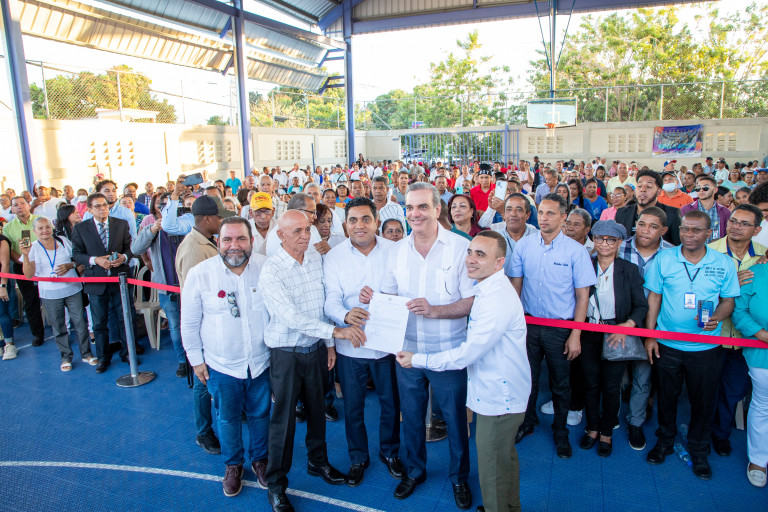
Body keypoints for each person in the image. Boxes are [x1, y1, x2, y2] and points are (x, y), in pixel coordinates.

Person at [396, 231, 531, 512]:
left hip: (500, 397)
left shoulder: (496, 299)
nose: (470, 259)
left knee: (492, 468)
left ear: (499, 262)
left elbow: (467, 354)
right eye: (469, 252)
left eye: (480, 254)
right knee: (503, 460)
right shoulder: (487, 289)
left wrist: (419, 359)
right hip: (495, 393)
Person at [259, 210, 365, 512]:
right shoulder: (272, 270)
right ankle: (276, 485)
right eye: (297, 232)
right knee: (283, 422)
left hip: (316, 350)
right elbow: (290, 318)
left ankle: (318, 462)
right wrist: (336, 333)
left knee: (318, 412)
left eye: (308, 229)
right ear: (281, 235)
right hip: (286, 354)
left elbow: (322, 306)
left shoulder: (316, 259)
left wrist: (329, 345)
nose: (306, 236)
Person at [378, 182, 475, 509]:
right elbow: (389, 297)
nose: (415, 213)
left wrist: (435, 310)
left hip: (448, 353)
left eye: (422, 207)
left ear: (437, 209)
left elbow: (471, 301)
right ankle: (415, 471)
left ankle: (459, 477)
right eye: (410, 207)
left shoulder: (460, 248)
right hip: (408, 353)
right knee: (412, 417)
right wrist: (377, 306)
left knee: (456, 421)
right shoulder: (396, 251)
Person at [643, 211, 740, 480]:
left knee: (703, 402)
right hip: (668, 345)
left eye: (696, 230)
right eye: (685, 229)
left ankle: (699, 450)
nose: (689, 234)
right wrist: (650, 336)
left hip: (706, 348)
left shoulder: (723, 263)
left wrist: (717, 317)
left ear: (709, 233)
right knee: (667, 397)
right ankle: (664, 441)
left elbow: (729, 301)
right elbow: (654, 298)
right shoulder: (664, 259)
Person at [181, 217, 271, 497]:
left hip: (261, 362)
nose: (235, 246)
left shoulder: (267, 268)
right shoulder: (200, 274)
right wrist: (196, 360)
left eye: (241, 239)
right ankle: (233, 465)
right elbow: (189, 322)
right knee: (228, 418)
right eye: (228, 239)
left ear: (251, 241)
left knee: (260, 415)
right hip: (221, 366)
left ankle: (260, 460)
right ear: (217, 242)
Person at [323, 197, 404, 487]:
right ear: (345, 224)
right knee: (353, 407)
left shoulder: (395, 251)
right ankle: (358, 457)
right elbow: (330, 299)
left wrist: (384, 300)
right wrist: (345, 315)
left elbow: (405, 291)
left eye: (366, 219)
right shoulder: (334, 257)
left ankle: (390, 452)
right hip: (352, 345)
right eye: (353, 220)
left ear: (376, 222)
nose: (360, 226)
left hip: (387, 346)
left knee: (390, 404)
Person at [510, 193, 595, 458]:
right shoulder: (524, 246)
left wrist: (576, 334)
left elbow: (583, 296)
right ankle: (527, 422)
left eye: (551, 213)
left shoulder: (576, 251)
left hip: (560, 329)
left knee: (560, 384)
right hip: (528, 325)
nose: (544, 218)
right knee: (528, 379)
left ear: (563, 217)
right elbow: (516, 287)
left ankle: (560, 431)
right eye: (541, 212)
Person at [578, 220, 648, 457]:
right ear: (593, 240)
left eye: (611, 240)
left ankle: (606, 431)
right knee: (590, 384)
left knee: (611, 387)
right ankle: (592, 427)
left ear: (619, 243)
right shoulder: (585, 265)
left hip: (616, 334)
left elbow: (641, 306)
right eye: (600, 238)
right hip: (588, 332)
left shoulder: (629, 270)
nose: (605, 243)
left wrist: (626, 326)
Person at [176, 195, 235, 455]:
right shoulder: (193, 249)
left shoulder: (206, 241)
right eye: (220, 217)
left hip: (216, 324)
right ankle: (203, 432)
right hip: (204, 327)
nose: (222, 221)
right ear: (208, 219)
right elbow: (196, 297)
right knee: (203, 382)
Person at [707, 204, 766, 457]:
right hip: (714, 335)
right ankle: (701, 432)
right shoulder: (709, 251)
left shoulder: (764, 255)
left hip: (745, 341)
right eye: (733, 221)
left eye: (744, 223)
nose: (736, 227)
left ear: (757, 230)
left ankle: (721, 434)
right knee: (706, 388)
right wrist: (730, 284)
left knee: (734, 391)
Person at [617, 206, 674, 450]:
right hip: (619, 324)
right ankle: (609, 418)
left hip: (652, 325)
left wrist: (652, 331)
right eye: (641, 224)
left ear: (664, 230)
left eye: (653, 226)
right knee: (615, 376)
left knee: (644, 377)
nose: (645, 230)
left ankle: (636, 423)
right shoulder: (619, 247)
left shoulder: (672, 254)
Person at [21, 217, 95, 371]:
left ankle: (87, 354)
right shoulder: (32, 247)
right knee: (58, 325)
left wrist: (70, 265)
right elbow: (28, 275)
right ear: (34, 231)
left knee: (80, 323)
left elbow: (78, 258)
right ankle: (66, 357)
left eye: (47, 227)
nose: (44, 231)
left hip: (73, 289)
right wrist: (26, 255)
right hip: (50, 294)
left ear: (52, 228)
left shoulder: (62, 241)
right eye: (40, 228)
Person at [71, 193, 133, 374]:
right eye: (97, 206)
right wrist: (95, 260)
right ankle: (103, 357)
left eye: (105, 205)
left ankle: (128, 353)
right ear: (89, 209)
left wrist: (124, 257)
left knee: (125, 319)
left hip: (120, 279)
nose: (102, 209)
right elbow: (77, 254)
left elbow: (130, 248)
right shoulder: (81, 228)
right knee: (99, 323)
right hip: (96, 282)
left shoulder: (121, 224)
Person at [131, 194, 188, 378]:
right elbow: (136, 249)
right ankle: (182, 361)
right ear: (156, 208)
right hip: (167, 287)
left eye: (170, 205)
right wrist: (152, 229)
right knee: (175, 326)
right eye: (162, 205)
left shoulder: (186, 224)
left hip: (189, 285)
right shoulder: (152, 226)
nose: (166, 208)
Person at [732, 259, 768, 487]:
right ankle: (758, 460)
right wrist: (762, 335)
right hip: (762, 354)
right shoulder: (754, 273)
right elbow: (739, 311)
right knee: (762, 404)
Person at [5, 196, 45, 346]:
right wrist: (23, 262)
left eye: (23, 203)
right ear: (12, 209)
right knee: (31, 301)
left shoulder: (41, 221)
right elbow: (9, 250)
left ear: (29, 205)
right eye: (16, 205)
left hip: (44, 265)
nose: (20, 206)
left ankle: (61, 329)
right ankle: (37, 334)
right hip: (21, 266)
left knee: (51, 298)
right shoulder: (8, 227)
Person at [615, 169, 682, 246]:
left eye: (648, 186)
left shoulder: (672, 214)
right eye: (639, 186)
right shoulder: (622, 213)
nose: (642, 190)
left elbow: (677, 246)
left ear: (659, 191)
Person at [489, 193, 538, 278]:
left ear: (528, 215)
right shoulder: (494, 238)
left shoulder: (538, 238)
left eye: (519, 210)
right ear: (504, 214)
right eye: (509, 209)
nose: (513, 214)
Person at [681, 174, 730, 243]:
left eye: (705, 188)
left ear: (715, 190)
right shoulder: (686, 210)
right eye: (698, 188)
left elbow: (728, 235)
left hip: (717, 249)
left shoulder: (725, 212)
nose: (701, 190)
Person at [0, 226, 17, 360]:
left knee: (3, 314)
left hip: (1, 282)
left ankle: (9, 345)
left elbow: (5, 265)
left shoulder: (2, 241)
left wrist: (3, 285)